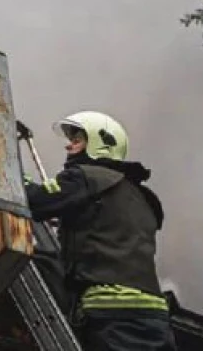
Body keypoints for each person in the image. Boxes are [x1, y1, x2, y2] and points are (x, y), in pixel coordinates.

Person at [24, 110, 176, 351]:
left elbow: (34, 199)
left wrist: (11, 174)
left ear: (99, 143)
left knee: (36, 263)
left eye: (76, 140)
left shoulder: (86, 178)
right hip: (155, 317)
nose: (68, 147)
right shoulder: (145, 198)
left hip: (111, 314)